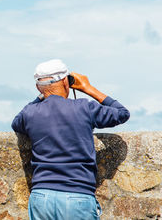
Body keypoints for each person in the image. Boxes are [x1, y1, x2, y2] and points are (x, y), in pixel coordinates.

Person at [11, 59, 130, 220]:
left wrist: (43, 93)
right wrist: (88, 88)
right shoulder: (84, 108)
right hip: (77, 195)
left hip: (42, 196)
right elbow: (122, 113)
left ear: (38, 87)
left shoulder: (30, 112)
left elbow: (16, 123)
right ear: (66, 82)